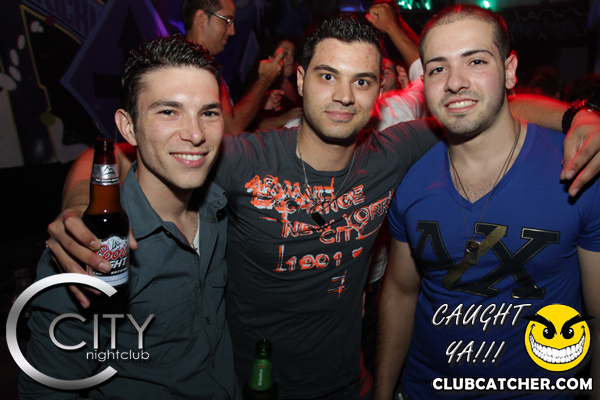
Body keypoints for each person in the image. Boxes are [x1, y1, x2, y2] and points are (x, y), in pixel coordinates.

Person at [45, 12, 600, 400]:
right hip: (246, 383)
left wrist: (580, 115)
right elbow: (131, 151)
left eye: (362, 81)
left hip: (343, 384)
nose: (343, 96)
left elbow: (486, 105)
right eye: (328, 76)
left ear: (378, 94)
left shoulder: (394, 152)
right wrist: (79, 204)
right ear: (301, 79)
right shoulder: (245, 157)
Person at [375, 5, 600, 400]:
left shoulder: (577, 171)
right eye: (438, 68)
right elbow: (400, 293)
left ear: (510, 70)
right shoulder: (412, 180)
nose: (455, 82)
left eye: (476, 61)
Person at [19, 35, 238, 399]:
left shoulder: (221, 204)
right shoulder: (89, 247)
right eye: (168, 112)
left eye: (209, 113)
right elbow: (47, 390)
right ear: (128, 127)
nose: (195, 133)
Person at [182, 0, 284, 134]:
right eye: (227, 21)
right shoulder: (195, 67)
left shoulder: (198, 61)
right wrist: (264, 80)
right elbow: (232, 128)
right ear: (201, 19)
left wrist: (260, 101)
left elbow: (227, 119)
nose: (232, 31)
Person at [245, 36, 303, 130]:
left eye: (293, 54)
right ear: (270, 58)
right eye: (285, 54)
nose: (291, 59)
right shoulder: (262, 87)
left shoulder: (296, 82)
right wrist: (284, 118)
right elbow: (251, 126)